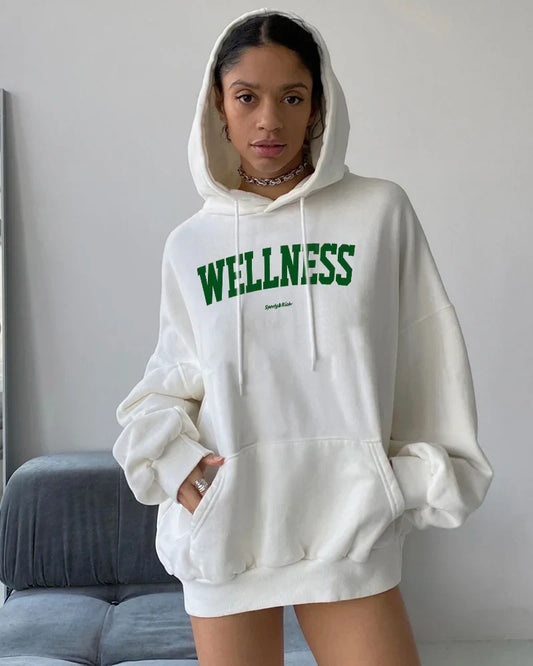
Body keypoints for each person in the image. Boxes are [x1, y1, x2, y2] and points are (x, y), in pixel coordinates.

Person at [112, 8, 494, 665]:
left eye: (292, 97)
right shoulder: (190, 245)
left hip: (348, 532)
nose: (269, 120)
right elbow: (171, 382)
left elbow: (427, 363)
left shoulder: (379, 212)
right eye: (247, 97)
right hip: (228, 536)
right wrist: (172, 464)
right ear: (218, 104)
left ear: (319, 104)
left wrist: (393, 482)